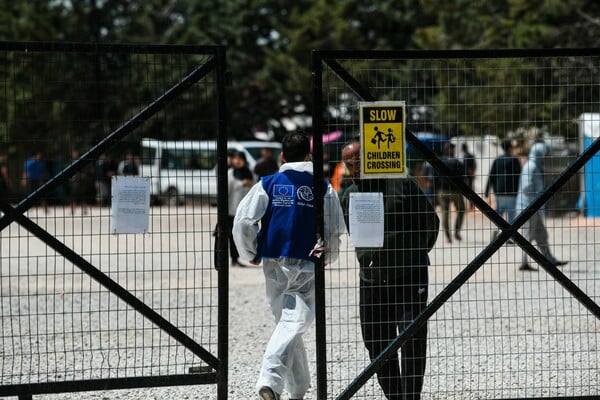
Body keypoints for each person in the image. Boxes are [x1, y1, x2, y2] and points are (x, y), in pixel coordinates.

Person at [233, 132, 345, 400]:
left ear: (282, 156)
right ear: (309, 155)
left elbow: (244, 221)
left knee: (287, 321)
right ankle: (270, 380)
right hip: (307, 258)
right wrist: (329, 256)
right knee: (295, 320)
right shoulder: (323, 187)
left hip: (273, 259)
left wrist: (250, 251)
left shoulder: (268, 183)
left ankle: (298, 388)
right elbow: (333, 229)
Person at [341, 140, 439, 400]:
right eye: (348, 163)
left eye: (358, 160)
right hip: (371, 279)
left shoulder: (401, 184)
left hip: (409, 275)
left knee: (412, 339)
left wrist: (413, 253)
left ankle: (411, 397)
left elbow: (429, 222)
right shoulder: (349, 195)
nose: (354, 167)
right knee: (376, 343)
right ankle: (395, 396)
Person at [515, 141, 567, 271]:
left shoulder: (535, 166)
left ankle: (549, 260)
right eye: (545, 154)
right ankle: (523, 263)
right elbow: (527, 188)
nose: (546, 157)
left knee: (541, 235)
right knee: (527, 236)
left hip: (533, 208)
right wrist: (538, 199)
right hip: (527, 208)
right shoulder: (531, 167)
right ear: (539, 154)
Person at [484, 139, 522, 238]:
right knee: (511, 214)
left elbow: (491, 176)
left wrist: (486, 192)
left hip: (499, 191)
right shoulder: (514, 160)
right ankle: (509, 236)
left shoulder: (497, 160)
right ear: (510, 147)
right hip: (511, 191)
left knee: (498, 214)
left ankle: (495, 229)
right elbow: (519, 176)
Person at [433, 142, 465, 243]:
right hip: (455, 191)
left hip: (442, 190)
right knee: (461, 210)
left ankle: (448, 236)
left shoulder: (439, 161)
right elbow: (462, 177)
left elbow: (435, 177)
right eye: (453, 149)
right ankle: (457, 231)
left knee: (445, 213)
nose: (454, 151)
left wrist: (436, 191)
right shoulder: (457, 162)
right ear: (449, 150)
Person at [228, 151, 254, 266]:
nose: (237, 161)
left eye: (240, 158)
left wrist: (250, 184)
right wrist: (242, 184)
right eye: (235, 158)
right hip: (231, 210)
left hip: (246, 211)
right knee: (231, 235)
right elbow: (226, 191)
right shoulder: (230, 173)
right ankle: (234, 258)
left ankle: (247, 256)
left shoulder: (250, 173)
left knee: (244, 234)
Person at [462, 143, 476, 210]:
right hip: (470, 175)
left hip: (467, 176)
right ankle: (471, 205)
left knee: (467, 191)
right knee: (470, 190)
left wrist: (470, 172)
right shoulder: (471, 155)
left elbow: (466, 166)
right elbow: (474, 164)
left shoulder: (466, 155)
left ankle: (470, 205)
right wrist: (473, 172)